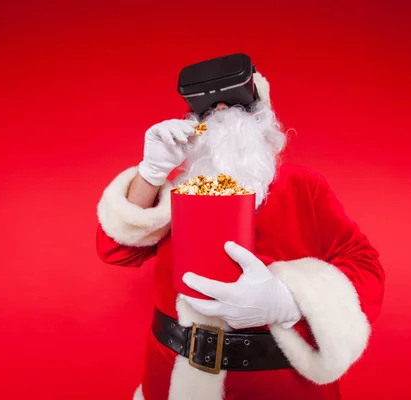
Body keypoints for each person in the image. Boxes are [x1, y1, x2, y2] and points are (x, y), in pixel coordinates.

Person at [95, 55, 386, 400]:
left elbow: (367, 267)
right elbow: (114, 249)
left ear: (263, 118)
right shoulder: (177, 189)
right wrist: (150, 173)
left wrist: (287, 302)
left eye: (235, 105)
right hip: (173, 378)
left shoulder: (304, 187)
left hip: (277, 384)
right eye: (208, 109)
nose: (220, 110)